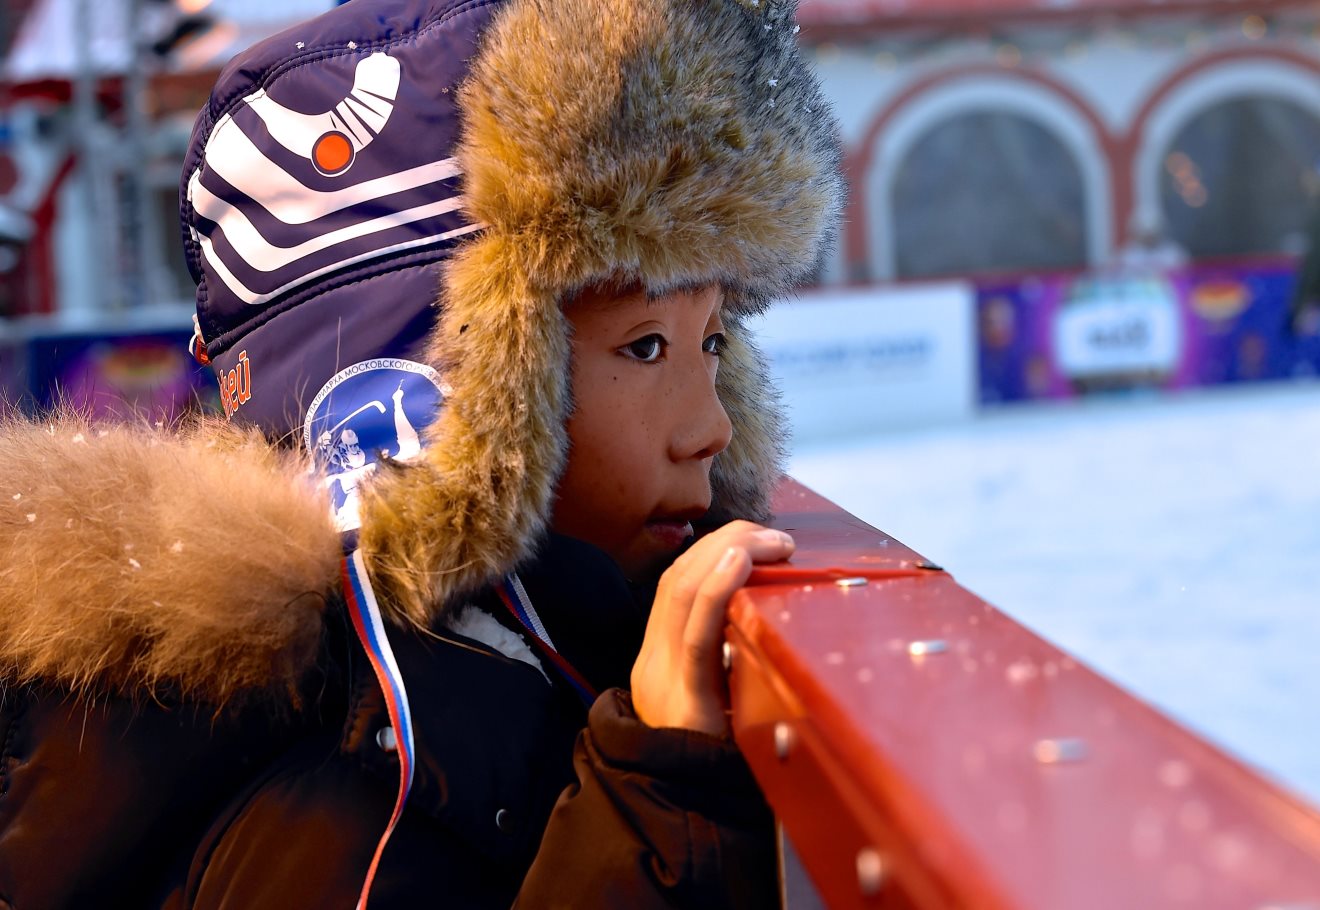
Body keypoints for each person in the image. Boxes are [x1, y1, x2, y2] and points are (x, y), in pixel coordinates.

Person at [0, 0, 843, 906]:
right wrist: (656, 797)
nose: (710, 429)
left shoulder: (510, 657)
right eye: (644, 346)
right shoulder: (336, 813)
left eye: (713, 342)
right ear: (424, 394)